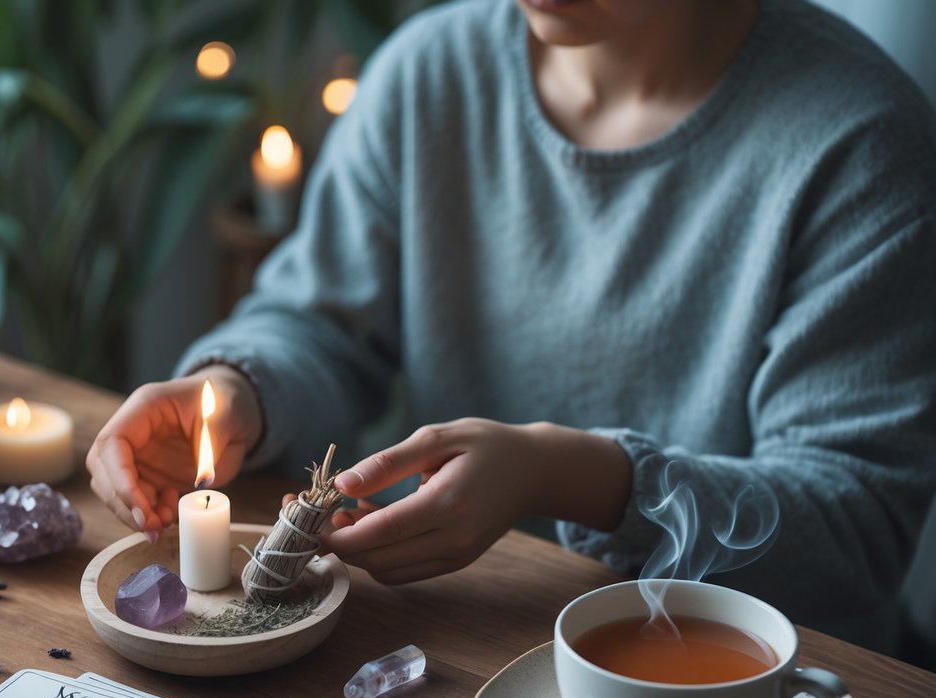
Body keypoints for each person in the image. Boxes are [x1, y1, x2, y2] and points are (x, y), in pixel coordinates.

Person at [89, 0, 936, 651]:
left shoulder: (858, 142)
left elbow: (853, 533)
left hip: (753, 693)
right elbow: (318, 322)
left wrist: (575, 478)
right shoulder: (428, 73)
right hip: (468, 644)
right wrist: (237, 390)